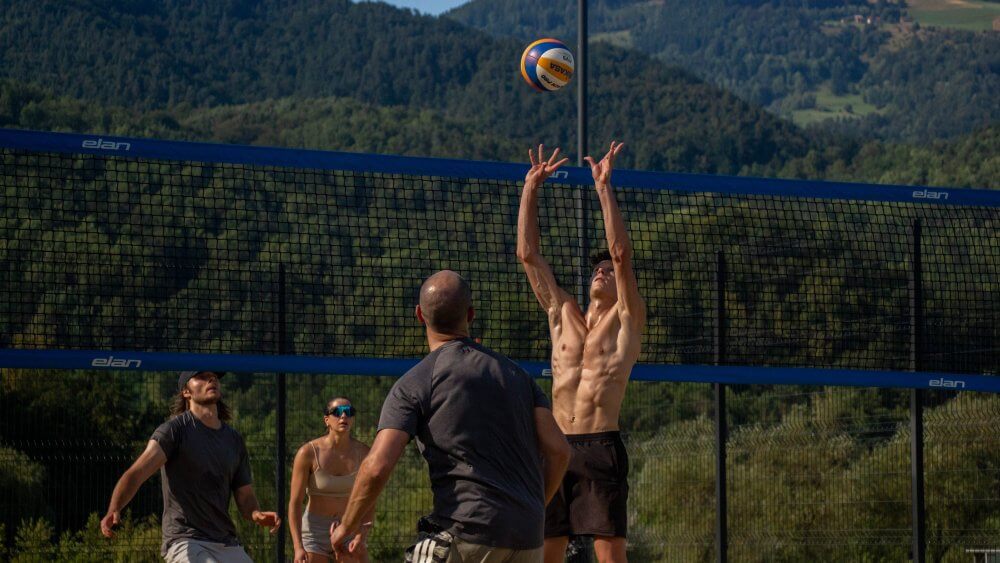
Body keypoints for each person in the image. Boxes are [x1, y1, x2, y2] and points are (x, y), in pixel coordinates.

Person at [330, 270, 571, 562]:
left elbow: (377, 467)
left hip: (467, 531)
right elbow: (559, 450)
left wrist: (346, 527)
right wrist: (534, 505)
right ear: (470, 314)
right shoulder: (518, 376)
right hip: (528, 537)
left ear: (419, 315)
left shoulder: (415, 382)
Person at [517, 142, 646, 563]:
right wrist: (531, 187)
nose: (602, 272)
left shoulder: (627, 317)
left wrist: (603, 187)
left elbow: (621, 255)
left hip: (599, 445)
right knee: (545, 553)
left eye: (608, 271)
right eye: (597, 269)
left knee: (610, 556)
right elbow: (527, 255)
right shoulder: (562, 313)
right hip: (554, 446)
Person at [100, 371, 281, 562]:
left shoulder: (234, 440)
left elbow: (245, 496)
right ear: (186, 392)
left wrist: (256, 514)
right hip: (185, 540)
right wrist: (115, 508)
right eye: (201, 376)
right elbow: (136, 473)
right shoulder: (174, 431)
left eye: (214, 376)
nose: (211, 379)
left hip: (226, 543)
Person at [289, 396, 373, 562]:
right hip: (314, 531)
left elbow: (370, 499)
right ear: (326, 420)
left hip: (349, 528)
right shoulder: (308, 453)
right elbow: (295, 503)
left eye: (349, 412)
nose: (343, 416)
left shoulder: (364, 453)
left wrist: (360, 536)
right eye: (337, 412)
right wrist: (298, 547)